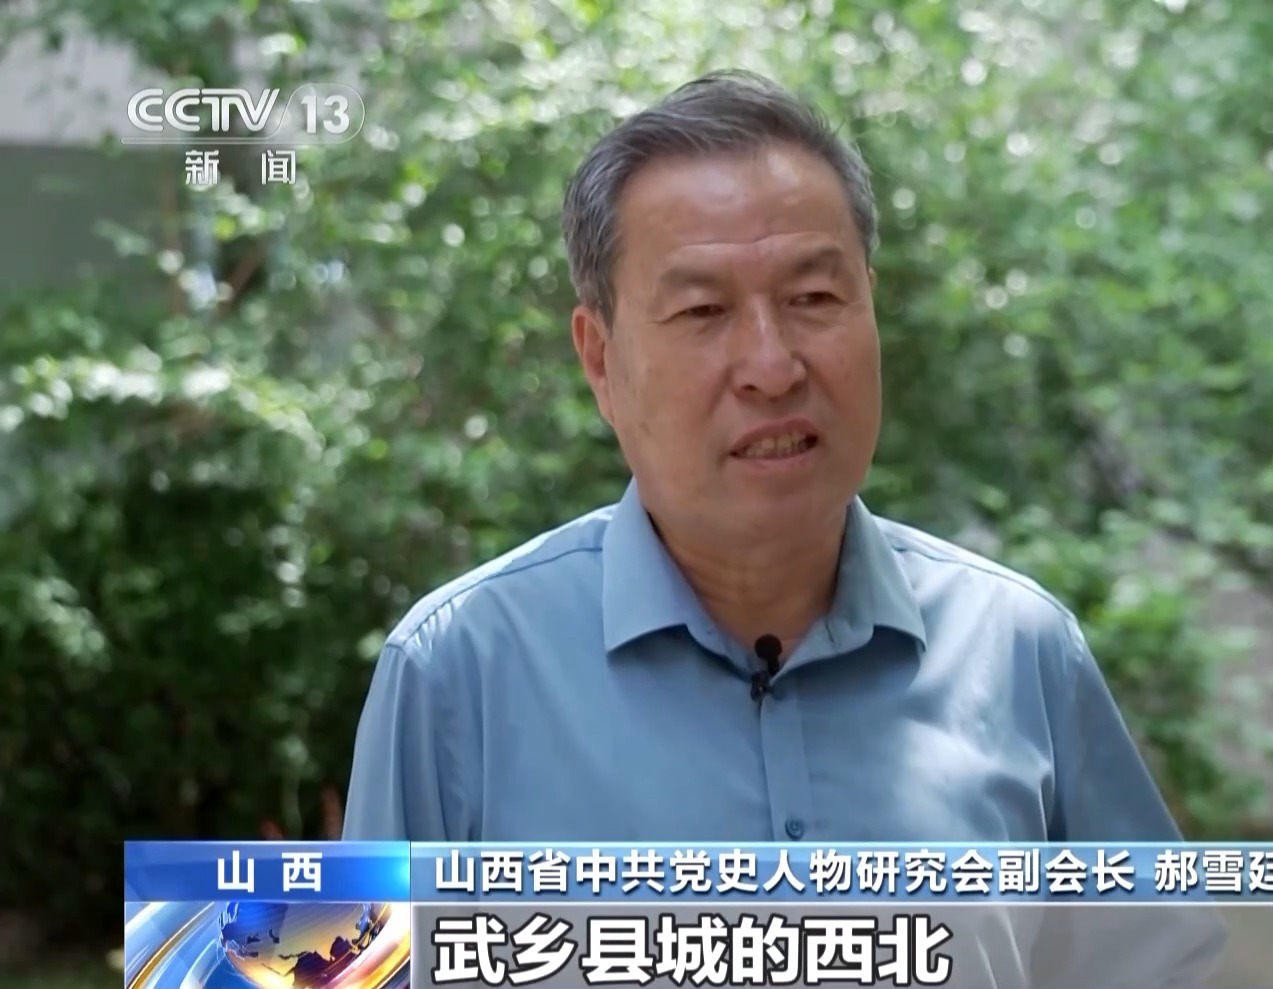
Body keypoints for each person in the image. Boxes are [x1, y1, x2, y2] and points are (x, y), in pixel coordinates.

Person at [341, 71, 1221, 985]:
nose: (771, 365)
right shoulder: (459, 671)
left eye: (813, 298)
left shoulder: (1018, 651)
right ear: (601, 360)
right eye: (703, 311)